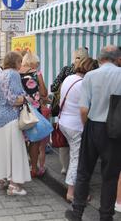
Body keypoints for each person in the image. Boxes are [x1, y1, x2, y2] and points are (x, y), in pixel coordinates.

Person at [65, 46, 121, 221]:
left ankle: (77, 212)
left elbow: (83, 109)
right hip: (115, 128)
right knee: (110, 175)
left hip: (92, 125)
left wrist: (86, 126)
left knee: (84, 171)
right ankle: (106, 216)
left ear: (100, 59)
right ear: (117, 59)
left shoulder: (90, 76)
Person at [0, 51, 31, 196]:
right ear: (16, 62)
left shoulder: (0, 75)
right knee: (14, 150)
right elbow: (14, 98)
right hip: (10, 116)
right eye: (20, 62)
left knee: (1, 149)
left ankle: (2, 179)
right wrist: (25, 98)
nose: (21, 65)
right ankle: (14, 185)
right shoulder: (14, 74)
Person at [59, 57, 99, 202]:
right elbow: (84, 110)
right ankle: (72, 192)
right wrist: (85, 126)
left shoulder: (69, 78)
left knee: (74, 156)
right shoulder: (83, 84)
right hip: (76, 125)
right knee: (77, 158)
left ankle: (74, 188)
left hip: (64, 122)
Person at [51, 47, 89, 175]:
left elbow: (53, 86)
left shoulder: (67, 70)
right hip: (79, 117)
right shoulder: (89, 72)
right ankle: (74, 175)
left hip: (64, 113)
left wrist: (62, 90)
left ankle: (64, 167)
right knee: (77, 148)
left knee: (64, 144)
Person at [19, 52, 48, 178]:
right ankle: (34, 169)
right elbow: (44, 93)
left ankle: (23, 167)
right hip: (34, 112)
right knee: (34, 140)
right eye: (37, 63)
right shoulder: (37, 73)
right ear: (33, 63)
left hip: (20, 110)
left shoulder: (17, 72)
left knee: (22, 140)